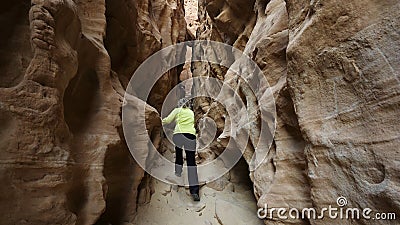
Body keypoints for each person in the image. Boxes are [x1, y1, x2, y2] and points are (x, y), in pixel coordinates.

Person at [162, 98, 200, 201]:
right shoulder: (191, 112)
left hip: (179, 134)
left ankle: (178, 171)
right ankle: (195, 191)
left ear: (179, 104)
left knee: (178, 153)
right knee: (191, 161)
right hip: (190, 136)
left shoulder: (177, 110)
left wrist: (160, 121)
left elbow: (168, 120)